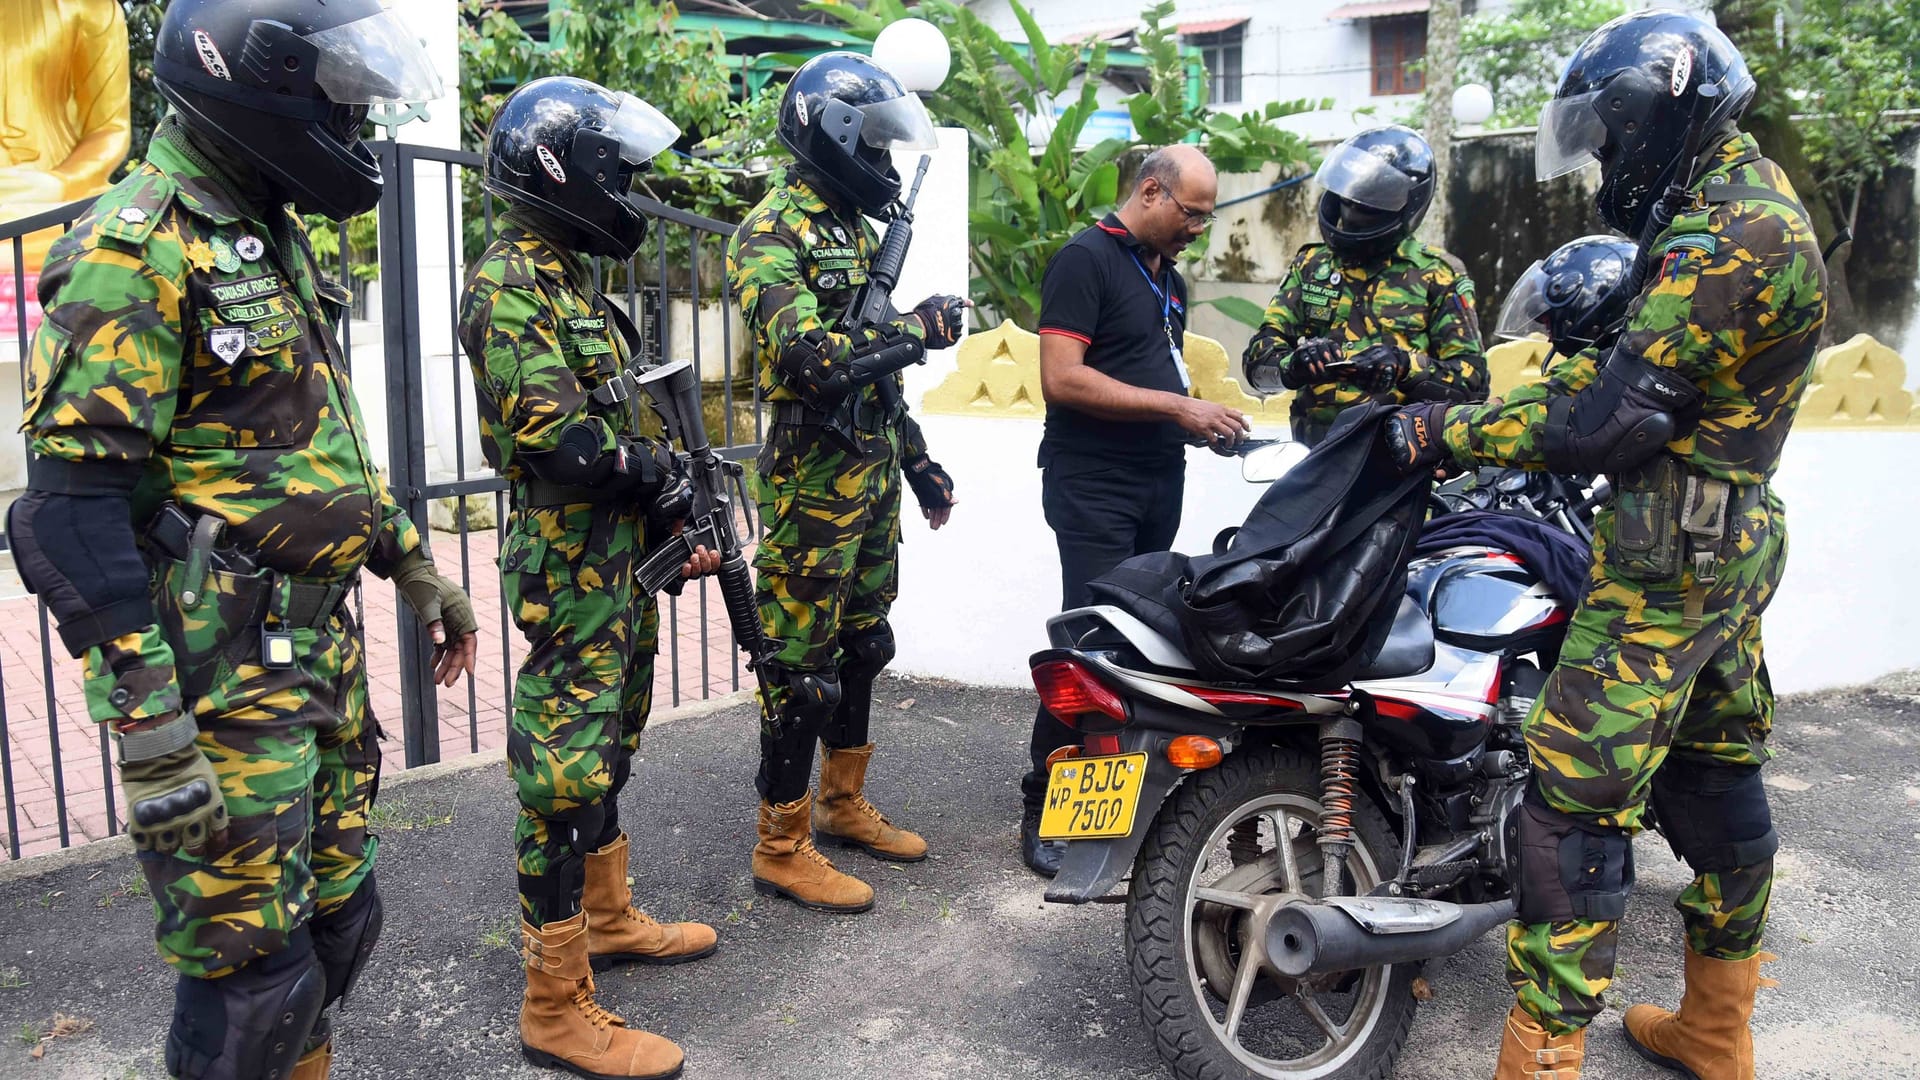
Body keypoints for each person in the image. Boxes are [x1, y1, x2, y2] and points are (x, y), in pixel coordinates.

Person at [4, 3, 476, 1078]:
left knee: (335, 928)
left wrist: (414, 565)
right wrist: (149, 719)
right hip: (214, 681)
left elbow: (320, 445)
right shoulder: (136, 246)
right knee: (249, 978)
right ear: (250, 82)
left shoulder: (261, 227)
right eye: (334, 95)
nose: (349, 121)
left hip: (316, 655)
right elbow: (71, 514)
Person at [1383, 11, 1825, 1079]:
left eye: (1608, 137)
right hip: (1725, 540)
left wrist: (1443, 431)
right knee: (1717, 773)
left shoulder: (1732, 232)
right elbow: (1633, 381)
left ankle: (1542, 1059)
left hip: (1670, 551)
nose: (1604, 161)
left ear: (1653, 109)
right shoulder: (1733, 206)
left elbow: (1606, 426)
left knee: (1573, 800)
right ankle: (1718, 1032)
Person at [460, 77, 724, 1080]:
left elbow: (616, 424)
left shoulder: (571, 280)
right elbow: (560, 441)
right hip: (571, 569)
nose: (632, 190)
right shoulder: (508, 281)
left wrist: (667, 506)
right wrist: (659, 475)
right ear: (563, 172)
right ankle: (554, 1004)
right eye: (619, 171)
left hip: (615, 564)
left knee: (607, 751)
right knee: (563, 782)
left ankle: (608, 924)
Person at [727, 52, 965, 914]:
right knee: (800, 671)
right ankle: (781, 844)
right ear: (829, 135)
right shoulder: (767, 234)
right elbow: (806, 360)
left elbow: (876, 376)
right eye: (872, 144)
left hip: (870, 486)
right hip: (809, 492)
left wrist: (920, 457)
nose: (885, 163)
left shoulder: (858, 233)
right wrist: (913, 331)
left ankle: (840, 804)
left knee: (865, 647)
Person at [1019, 145, 1249, 876]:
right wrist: (1178, 405)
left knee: (1138, 642)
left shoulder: (1165, 277)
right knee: (1092, 642)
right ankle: (1044, 801)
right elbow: (1063, 378)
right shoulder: (1084, 260)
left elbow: (1154, 370)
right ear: (1151, 193)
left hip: (1157, 474)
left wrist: (1193, 424)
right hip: (1094, 482)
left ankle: (1114, 792)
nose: (1197, 230)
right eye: (1191, 213)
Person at [1242, 125, 1486, 446]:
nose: (1353, 211)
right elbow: (1258, 367)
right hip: (1314, 457)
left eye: (1369, 203)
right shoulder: (1312, 265)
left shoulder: (1438, 274)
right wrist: (1296, 365)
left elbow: (1472, 382)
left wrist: (1402, 366)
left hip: (1399, 459)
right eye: (1349, 198)